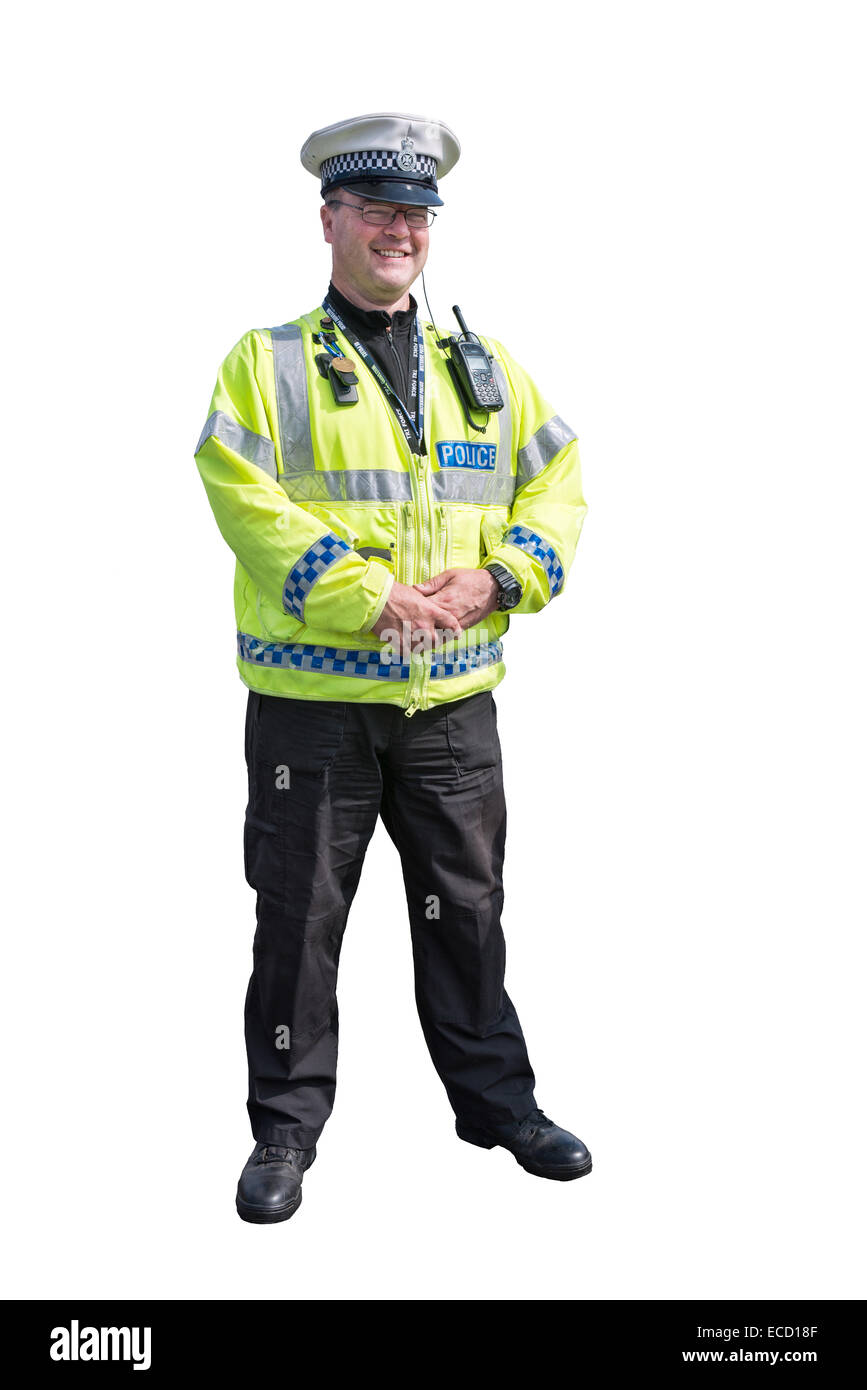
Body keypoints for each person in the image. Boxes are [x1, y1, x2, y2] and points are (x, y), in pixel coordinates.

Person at [194, 112, 592, 1224]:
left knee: (466, 910)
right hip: (314, 708)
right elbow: (243, 496)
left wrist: (502, 578)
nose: (398, 230)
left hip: (452, 706)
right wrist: (369, 595)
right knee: (299, 920)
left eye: (414, 214)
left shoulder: (487, 364)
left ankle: (498, 1105)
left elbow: (559, 482)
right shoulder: (266, 363)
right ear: (330, 220)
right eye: (375, 210)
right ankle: (284, 1129)